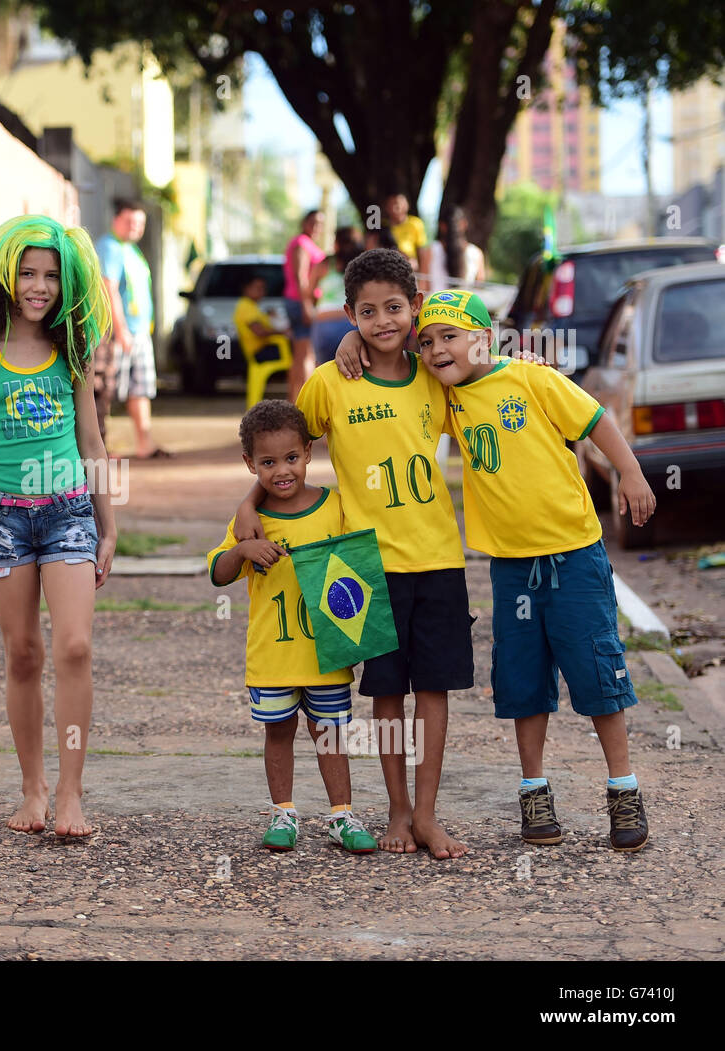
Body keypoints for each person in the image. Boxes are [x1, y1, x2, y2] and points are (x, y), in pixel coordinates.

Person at [236, 249, 473, 859]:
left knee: (436, 691)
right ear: (349, 315)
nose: (382, 321)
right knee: (387, 693)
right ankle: (395, 811)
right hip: (369, 566)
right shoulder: (330, 384)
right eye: (366, 312)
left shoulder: (434, 375)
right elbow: (281, 450)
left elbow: (483, 373)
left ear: (415, 308)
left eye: (395, 308)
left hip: (440, 558)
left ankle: (425, 813)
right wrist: (246, 514)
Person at [412, 289, 652, 851]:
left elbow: (598, 421)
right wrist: (355, 337)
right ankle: (534, 790)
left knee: (597, 672)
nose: (436, 350)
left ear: (482, 338)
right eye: (427, 342)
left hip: (573, 554)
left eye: (449, 336)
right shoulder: (445, 399)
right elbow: (389, 359)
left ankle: (623, 788)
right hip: (512, 570)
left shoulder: (532, 380)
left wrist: (633, 475)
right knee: (523, 680)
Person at [0, 215, 116, 839]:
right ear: (5, 276)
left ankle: (70, 793)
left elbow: (93, 442)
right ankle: (33, 789)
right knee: (23, 655)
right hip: (4, 521)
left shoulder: (71, 350)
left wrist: (107, 522)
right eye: (28, 273)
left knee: (74, 646)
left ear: (69, 285)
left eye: (52, 277)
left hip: (68, 513)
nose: (39, 286)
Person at [209, 401, 378, 855]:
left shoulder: (336, 507)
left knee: (331, 734)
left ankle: (341, 815)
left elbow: (362, 567)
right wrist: (244, 550)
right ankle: (283, 812)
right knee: (278, 732)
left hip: (327, 654)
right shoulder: (251, 523)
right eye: (267, 462)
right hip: (273, 657)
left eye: (291, 458)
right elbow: (219, 572)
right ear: (250, 464)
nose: (282, 471)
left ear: (308, 452)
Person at [96, 200, 167, 458]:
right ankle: (98, 446)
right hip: (118, 332)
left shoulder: (133, 251)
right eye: (130, 221)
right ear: (116, 219)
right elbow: (109, 289)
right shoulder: (110, 247)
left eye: (140, 223)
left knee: (140, 387)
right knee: (106, 390)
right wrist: (120, 329)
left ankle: (144, 443)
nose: (135, 227)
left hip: (139, 331)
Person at [282, 209, 327, 402]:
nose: (317, 227)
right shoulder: (301, 243)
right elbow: (300, 277)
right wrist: (306, 305)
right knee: (306, 355)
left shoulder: (308, 244)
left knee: (302, 355)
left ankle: (296, 402)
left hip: (300, 302)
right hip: (299, 303)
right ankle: (302, 404)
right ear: (304, 222)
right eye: (313, 222)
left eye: (320, 223)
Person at [310, 226, 364, 366]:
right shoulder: (363, 265)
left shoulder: (325, 264)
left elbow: (309, 292)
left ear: (336, 243)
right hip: (355, 322)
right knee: (357, 372)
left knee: (323, 371)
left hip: (325, 321)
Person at [427, 206, 486, 291]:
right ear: (464, 224)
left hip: (434, 303)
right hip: (465, 304)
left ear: (442, 226)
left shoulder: (430, 251)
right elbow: (479, 290)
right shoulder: (476, 253)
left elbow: (423, 287)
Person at [383, 192, 429, 278]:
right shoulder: (381, 228)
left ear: (406, 205)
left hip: (409, 272)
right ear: (387, 208)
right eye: (391, 204)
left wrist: (424, 279)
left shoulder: (415, 223)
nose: (395, 208)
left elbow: (423, 254)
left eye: (397, 204)